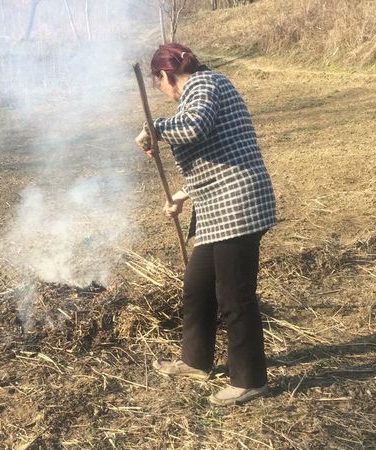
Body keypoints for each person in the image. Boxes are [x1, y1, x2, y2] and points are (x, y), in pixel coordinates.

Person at [135, 43, 277, 406]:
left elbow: (194, 127)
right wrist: (182, 194)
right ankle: (196, 360)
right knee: (197, 286)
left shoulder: (204, 84)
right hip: (218, 208)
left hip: (238, 206)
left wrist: (155, 128)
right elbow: (216, 151)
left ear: (165, 75)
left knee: (234, 297)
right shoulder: (202, 90)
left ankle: (250, 379)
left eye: (159, 84)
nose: (163, 92)